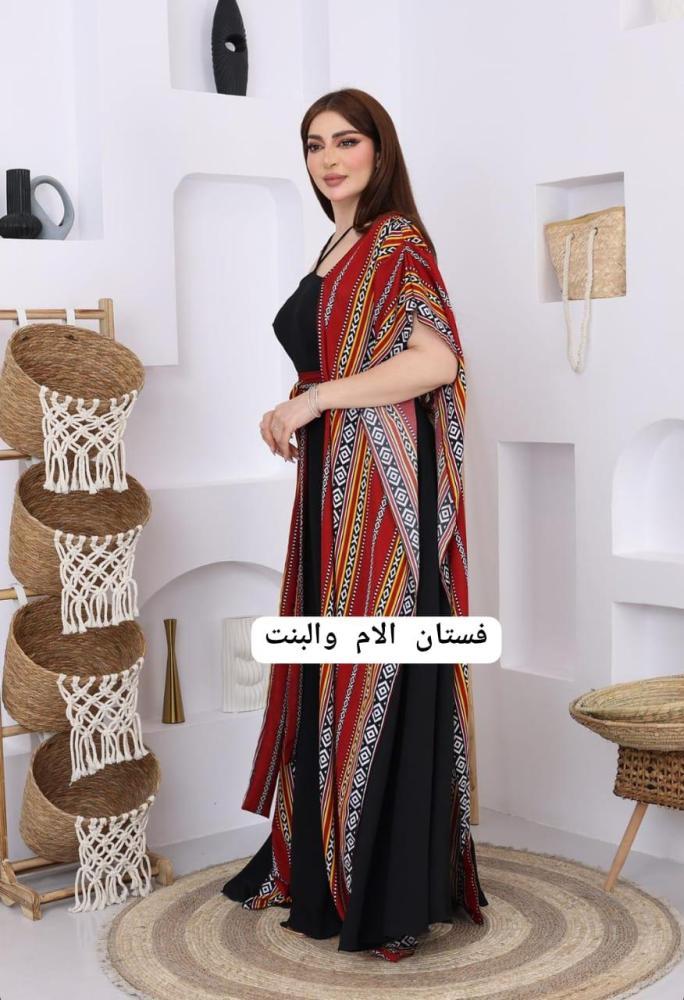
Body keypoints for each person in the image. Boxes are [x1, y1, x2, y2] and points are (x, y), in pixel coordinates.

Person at [223, 87, 488, 962]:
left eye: (347, 141)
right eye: (314, 145)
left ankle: (383, 888)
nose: (329, 158)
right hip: (333, 492)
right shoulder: (338, 246)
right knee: (332, 664)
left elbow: (436, 360)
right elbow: (337, 362)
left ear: (380, 150)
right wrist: (294, 409)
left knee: (374, 664)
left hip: (380, 500)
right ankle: (326, 863)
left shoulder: (396, 240)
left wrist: (316, 401)